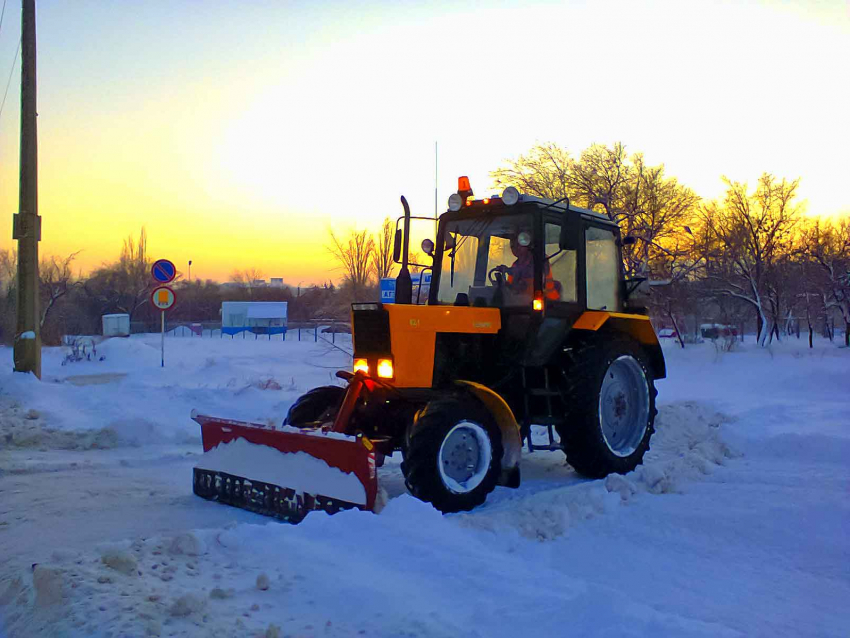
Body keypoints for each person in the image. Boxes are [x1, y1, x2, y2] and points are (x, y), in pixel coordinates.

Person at [496, 232, 561, 302]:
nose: (516, 249)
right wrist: (504, 284)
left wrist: (509, 270)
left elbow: (531, 273)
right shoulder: (515, 264)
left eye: (518, 245)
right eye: (512, 246)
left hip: (548, 302)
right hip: (523, 304)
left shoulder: (540, 258)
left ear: (527, 245)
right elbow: (514, 288)